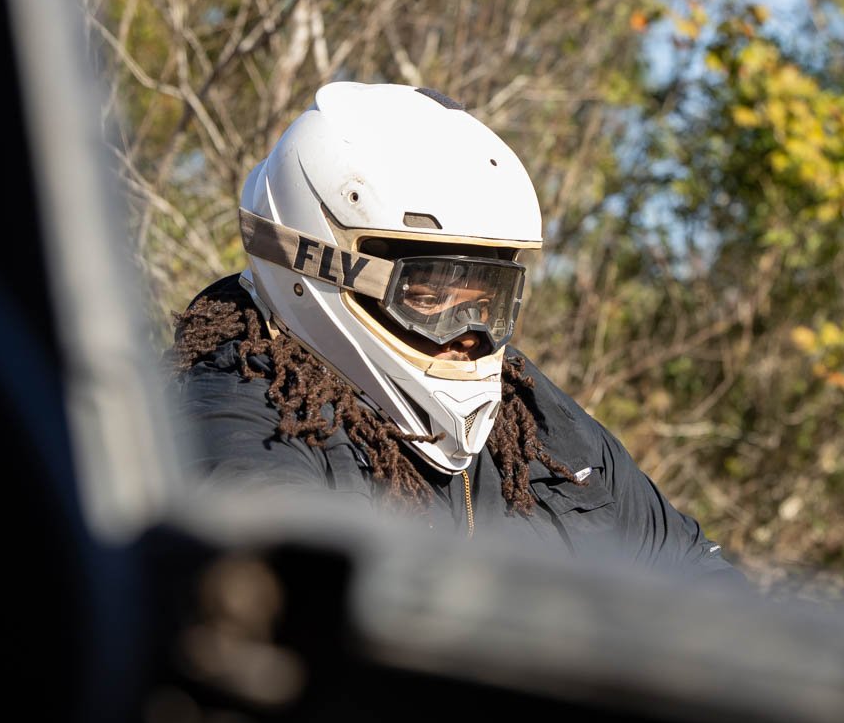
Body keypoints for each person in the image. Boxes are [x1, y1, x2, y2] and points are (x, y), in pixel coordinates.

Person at [171, 82, 737, 584]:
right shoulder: (239, 428)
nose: (470, 337)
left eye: (488, 301)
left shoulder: (530, 420)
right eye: (430, 297)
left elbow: (694, 571)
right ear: (319, 270)